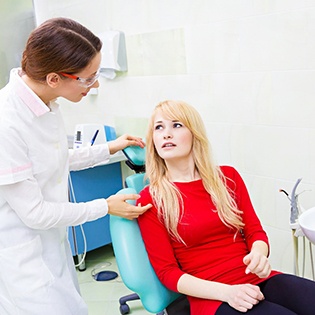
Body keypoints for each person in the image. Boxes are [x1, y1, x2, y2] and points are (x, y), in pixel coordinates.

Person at [0, 17, 152, 315]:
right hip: (23, 256)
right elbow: (35, 213)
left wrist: (111, 147)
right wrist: (105, 206)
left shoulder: (45, 102)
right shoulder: (7, 122)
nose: (94, 85)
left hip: (50, 247)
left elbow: (55, 159)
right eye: (88, 78)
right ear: (55, 78)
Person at [137, 100, 315, 315]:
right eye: (159, 127)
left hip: (257, 278)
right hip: (213, 298)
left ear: (194, 134)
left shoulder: (227, 178)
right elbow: (168, 273)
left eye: (176, 125)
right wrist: (228, 293)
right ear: (153, 140)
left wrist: (259, 254)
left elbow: (255, 232)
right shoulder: (151, 199)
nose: (166, 134)